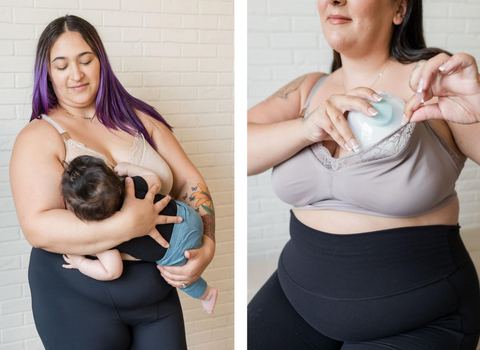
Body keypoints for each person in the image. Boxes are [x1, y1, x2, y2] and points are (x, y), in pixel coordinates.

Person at [248, 0, 480, 349]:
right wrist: (306, 128)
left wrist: (479, 107)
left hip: (421, 318)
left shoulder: (436, 83)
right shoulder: (308, 89)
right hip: (295, 295)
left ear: (399, 9)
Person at [9, 15, 216, 350]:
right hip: (76, 302)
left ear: (100, 61)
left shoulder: (140, 120)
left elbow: (190, 182)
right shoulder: (39, 135)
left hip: (157, 301)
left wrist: (207, 244)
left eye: (85, 60)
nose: (75, 74)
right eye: (61, 66)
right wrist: (129, 224)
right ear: (47, 73)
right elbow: (38, 226)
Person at [60, 155, 218, 314]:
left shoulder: (104, 235)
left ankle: (207, 294)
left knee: (181, 277)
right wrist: (128, 168)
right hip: (190, 217)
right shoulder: (129, 186)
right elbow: (154, 180)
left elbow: (112, 271)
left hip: (178, 253)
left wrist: (80, 263)